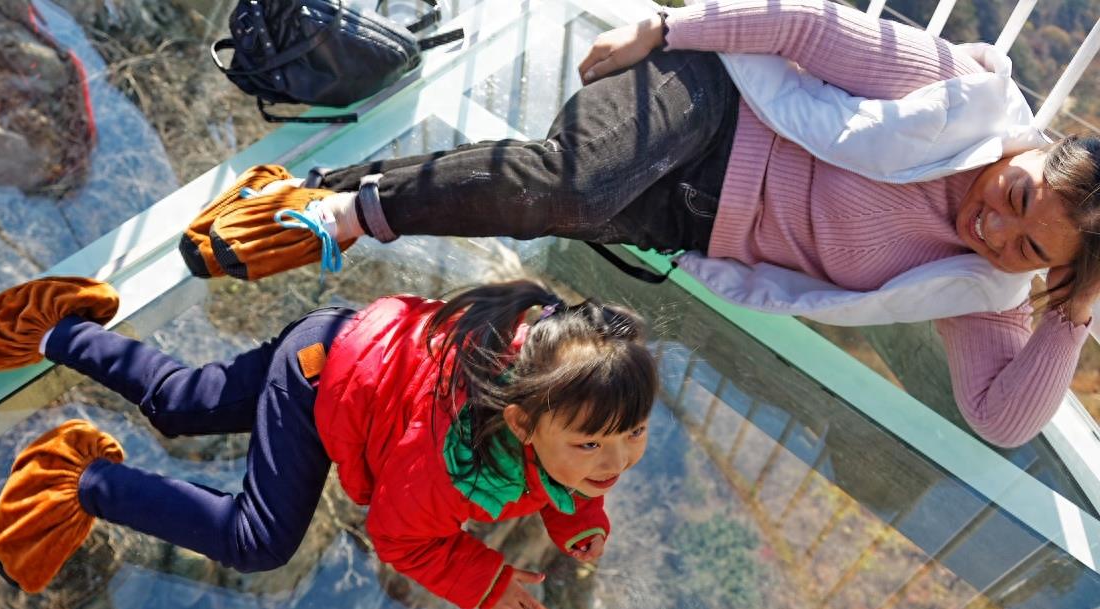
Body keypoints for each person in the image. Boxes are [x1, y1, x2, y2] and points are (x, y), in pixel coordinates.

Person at [180, 0, 1100, 449]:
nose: (995, 228)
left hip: (688, 218)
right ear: (1036, 147)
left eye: (1032, 251)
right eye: (1019, 197)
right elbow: (810, 29)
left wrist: (1072, 305)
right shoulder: (959, 98)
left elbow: (1001, 421)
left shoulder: (987, 290)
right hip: (710, 101)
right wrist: (667, 29)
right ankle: (341, 213)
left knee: (568, 205)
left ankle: (326, 189)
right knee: (573, 192)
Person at [0, 276, 655, 609]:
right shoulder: (451, 467)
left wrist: (579, 513)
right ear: (521, 422)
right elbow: (399, 536)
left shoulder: (549, 382)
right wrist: (489, 580)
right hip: (323, 384)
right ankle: (79, 478)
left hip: (337, 340)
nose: (616, 459)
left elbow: (571, 470)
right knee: (255, 542)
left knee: (180, 406)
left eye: (634, 432)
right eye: (593, 445)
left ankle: (58, 330)